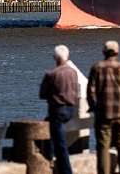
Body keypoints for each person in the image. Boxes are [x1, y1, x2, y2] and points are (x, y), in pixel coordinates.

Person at [87, 41, 120, 174]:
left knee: (103, 146)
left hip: (103, 112)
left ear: (104, 52)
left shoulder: (97, 68)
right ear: (117, 52)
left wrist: (92, 106)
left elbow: (90, 91)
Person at [40, 45, 79, 174]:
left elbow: (42, 94)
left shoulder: (51, 74)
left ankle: (65, 170)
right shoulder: (73, 72)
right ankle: (49, 157)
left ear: (55, 58)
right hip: (71, 110)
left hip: (58, 110)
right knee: (53, 132)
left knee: (60, 144)